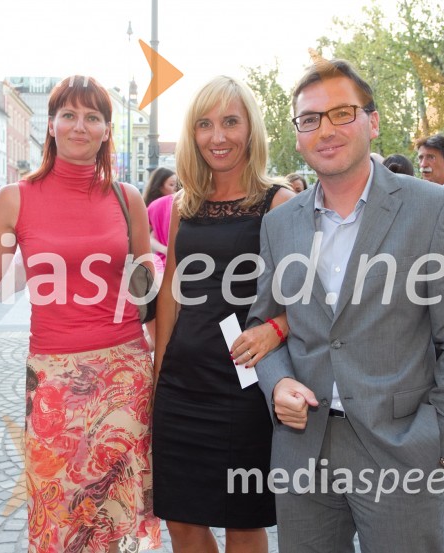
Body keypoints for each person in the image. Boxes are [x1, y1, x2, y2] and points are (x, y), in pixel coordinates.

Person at [248, 58, 444, 553]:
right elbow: (264, 326)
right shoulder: (280, 223)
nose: (326, 130)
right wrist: (278, 384)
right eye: (310, 119)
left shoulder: (433, 209)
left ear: (373, 121)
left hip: (402, 450)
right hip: (305, 451)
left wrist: (443, 442)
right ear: (297, 134)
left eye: (342, 113)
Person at [0, 75, 161, 552]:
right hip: (54, 380)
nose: (79, 126)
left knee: (117, 514)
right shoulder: (13, 200)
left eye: (93, 117)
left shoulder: (128, 200)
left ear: (107, 130)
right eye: (69, 115)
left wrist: (162, 367)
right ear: (51, 125)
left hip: (125, 373)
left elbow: (148, 296)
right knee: (57, 509)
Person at [152, 76, 294, 552]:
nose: (218, 136)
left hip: (244, 388)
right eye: (205, 124)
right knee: (182, 520)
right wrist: (158, 378)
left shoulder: (278, 202)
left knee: (242, 521)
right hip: (181, 386)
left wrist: (277, 328)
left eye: (230, 122)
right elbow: (171, 293)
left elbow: (315, 296)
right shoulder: (183, 205)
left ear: (250, 129)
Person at [144, 167, 178, 275]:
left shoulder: (151, 206)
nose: (175, 188)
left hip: (159, 265)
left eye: (176, 185)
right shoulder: (159, 206)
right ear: (159, 186)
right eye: (171, 185)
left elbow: (147, 236)